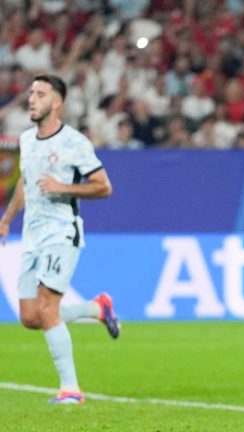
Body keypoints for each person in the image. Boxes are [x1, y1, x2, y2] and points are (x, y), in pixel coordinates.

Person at [0, 74, 120, 405]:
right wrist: (8, 218)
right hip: (33, 235)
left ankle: (71, 390)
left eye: (39, 94)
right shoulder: (25, 139)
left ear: (56, 103)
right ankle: (96, 308)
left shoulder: (74, 143)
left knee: (48, 306)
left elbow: (103, 187)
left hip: (62, 231)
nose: (31, 99)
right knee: (30, 317)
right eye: (31, 93)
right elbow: (26, 183)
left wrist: (64, 187)